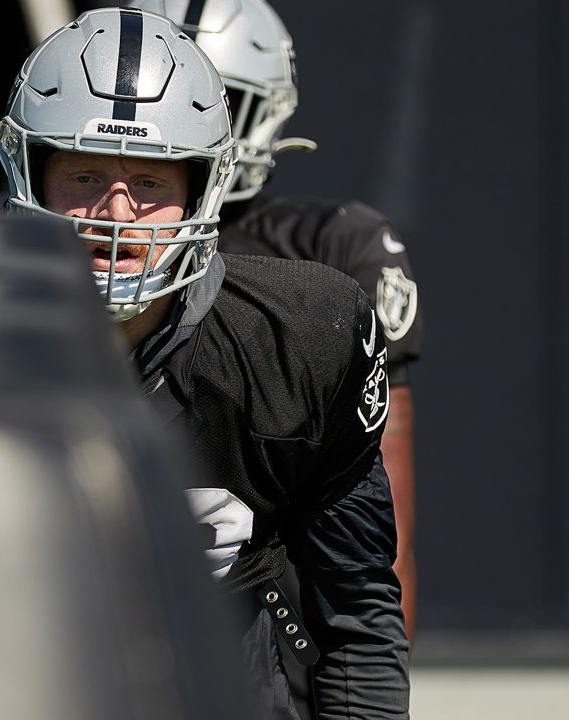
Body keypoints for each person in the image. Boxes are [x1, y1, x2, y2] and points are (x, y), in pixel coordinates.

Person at [0, 8, 409, 719]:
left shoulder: (295, 341)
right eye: (84, 174)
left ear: (204, 187)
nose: (115, 213)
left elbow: (357, 611)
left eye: (150, 182)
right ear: (27, 172)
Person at [128, 0, 423, 642]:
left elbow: (375, 531)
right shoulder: (50, 232)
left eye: (217, 100)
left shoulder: (332, 248)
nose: (186, 124)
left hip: (264, 631)